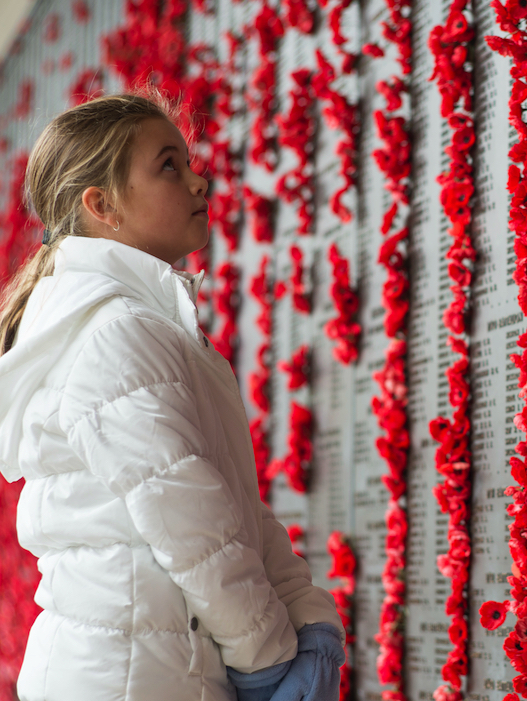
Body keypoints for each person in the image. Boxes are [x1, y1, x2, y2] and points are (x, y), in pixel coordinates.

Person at [0, 93, 345, 701]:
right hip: (126, 679)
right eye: (168, 165)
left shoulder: (145, 326)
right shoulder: (116, 333)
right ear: (102, 205)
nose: (198, 179)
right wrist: (267, 659)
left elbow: (225, 499)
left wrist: (308, 618)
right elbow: (191, 521)